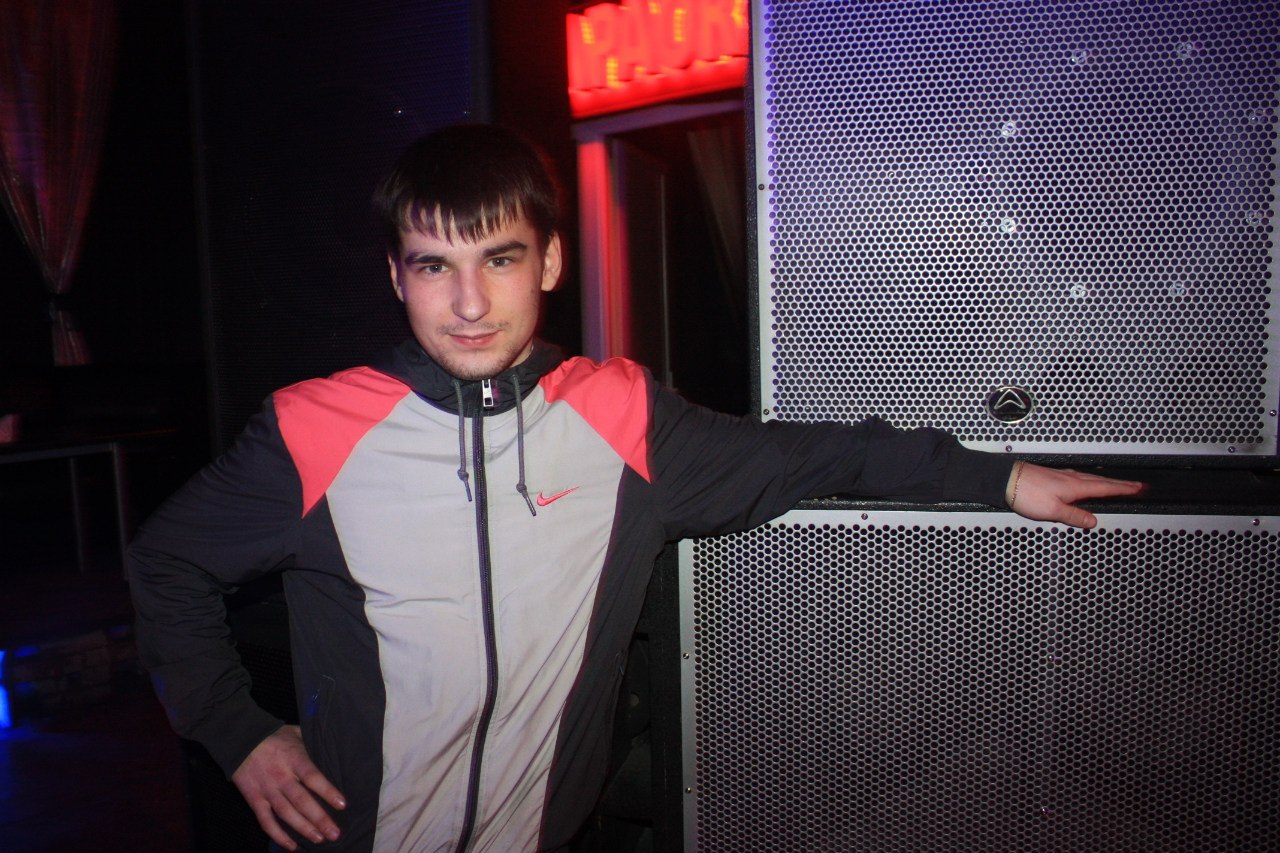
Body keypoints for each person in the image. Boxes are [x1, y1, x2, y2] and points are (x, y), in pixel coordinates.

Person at [126, 123, 1144, 852]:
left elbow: (816, 454)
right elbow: (166, 563)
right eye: (434, 267)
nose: (469, 302)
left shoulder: (619, 417)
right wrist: (238, 730)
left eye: (500, 258)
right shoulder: (314, 429)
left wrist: (1000, 474)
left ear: (550, 263)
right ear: (397, 278)